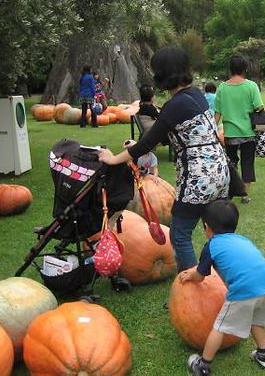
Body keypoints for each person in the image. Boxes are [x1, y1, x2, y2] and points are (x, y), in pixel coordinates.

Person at [98, 46, 230, 272]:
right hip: (220, 170)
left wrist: (112, 159)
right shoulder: (196, 95)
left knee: (179, 234)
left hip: (199, 177)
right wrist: (138, 146)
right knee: (217, 233)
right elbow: (175, 134)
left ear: (162, 75)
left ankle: (194, 290)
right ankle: (221, 279)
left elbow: (147, 143)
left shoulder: (174, 104)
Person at [180, 199, 265, 376]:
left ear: (206, 227)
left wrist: (190, 275)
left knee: (220, 327)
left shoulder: (211, 246)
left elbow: (200, 276)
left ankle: (203, 365)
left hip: (245, 292)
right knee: (255, 319)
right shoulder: (242, 240)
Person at [214, 55, 264, 205]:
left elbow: (217, 113)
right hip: (248, 132)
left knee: (231, 162)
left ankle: (229, 190)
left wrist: (212, 131)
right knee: (247, 163)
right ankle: (245, 194)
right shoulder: (251, 86)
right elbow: (259, 107)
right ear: (245, 68)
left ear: (230, 69)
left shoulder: (222, 87)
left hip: (229, 133)